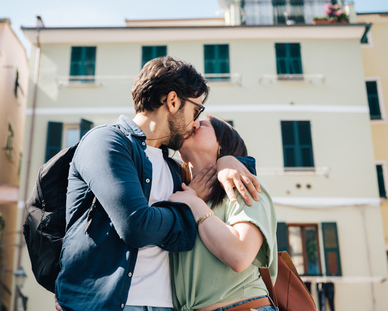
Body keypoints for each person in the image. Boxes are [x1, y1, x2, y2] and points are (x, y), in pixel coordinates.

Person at [54, 56, 261, 311]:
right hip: (108, 305)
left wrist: (228, 161)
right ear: (173, 101)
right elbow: (136, 226)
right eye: (196, 110)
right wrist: (189, 204)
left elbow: (228, 172)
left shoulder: (175, 169)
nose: (195, 121)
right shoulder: (107, 142)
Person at [169, 116, 278, 311]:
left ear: (222, 143)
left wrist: (195, 204)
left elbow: (240, 255)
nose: (192, 123)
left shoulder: (245, 185)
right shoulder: (177, 193)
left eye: (202, 124)